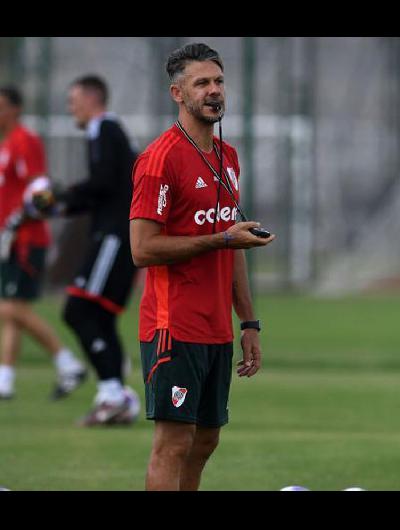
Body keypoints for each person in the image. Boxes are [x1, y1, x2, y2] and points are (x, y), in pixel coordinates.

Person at [129, 42, 275, 491]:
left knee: (206, 439)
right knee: (173, 443)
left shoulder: (227, 158)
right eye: (202, 83)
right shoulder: (160, 158)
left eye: (219, 82)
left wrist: (248, 321)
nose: (215, 92)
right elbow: (142, 248)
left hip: (217, 327)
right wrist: (221, 238)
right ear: (178, 93)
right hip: (174, 324)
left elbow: (233, 245)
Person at [32, 75, 141, 424]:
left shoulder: (103, 128)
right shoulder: (107, 133)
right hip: (115, 233)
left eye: (73, 101)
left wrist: (62, 196)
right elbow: (104, 190)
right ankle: (115, 398)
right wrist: (63, 205)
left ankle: (113, 394)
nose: (70, 108)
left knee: (78, 310)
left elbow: (103, 183)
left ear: (92, 99)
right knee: (100, 317)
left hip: (113, 236)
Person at [0, 85, 86, 400]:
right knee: (13, 309)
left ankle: (68, 363)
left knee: (9, 308)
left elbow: (40, 189)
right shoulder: (7, 145)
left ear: (15, 109)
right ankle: (5, 379)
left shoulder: (25, 141)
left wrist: (20, 218)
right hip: (10, 240)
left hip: (26, 240)